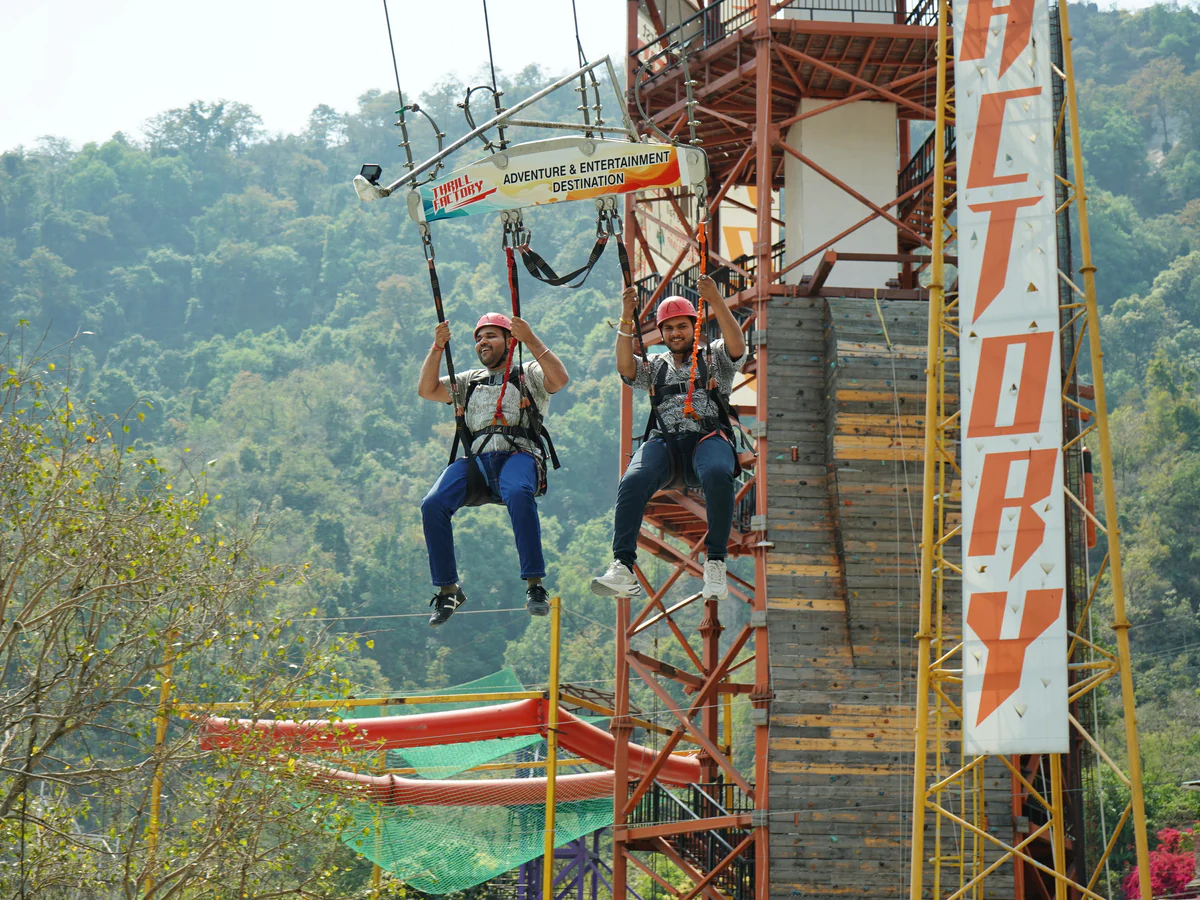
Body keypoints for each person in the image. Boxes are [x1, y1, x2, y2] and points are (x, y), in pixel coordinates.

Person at [591, 275, 745, 600]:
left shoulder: (713, 357)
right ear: (661, 334)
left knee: (718, 475)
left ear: (694, 326)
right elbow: (623, 364)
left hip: (708, 437)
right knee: (632, 481)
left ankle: (715, 562)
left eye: (682, 326)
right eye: (669, 328)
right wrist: (625, 316)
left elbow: (737, 347)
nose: (676, 333)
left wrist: (716, 300)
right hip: (667, 443)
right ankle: (622, 565)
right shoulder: (654, 367)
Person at [417, 312, 568, 627]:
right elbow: (427, 389)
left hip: (519, 454)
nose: (482, 343)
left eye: (491, 336)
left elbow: (560, 378)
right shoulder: (467, 381)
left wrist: (530, 338)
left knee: (517, 492)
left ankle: (534, 584)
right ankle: (448, 589)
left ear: (509, 341)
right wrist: (436, 347)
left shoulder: (528, 374)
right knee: (433, 504)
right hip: (478, 461)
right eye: (478, 338)